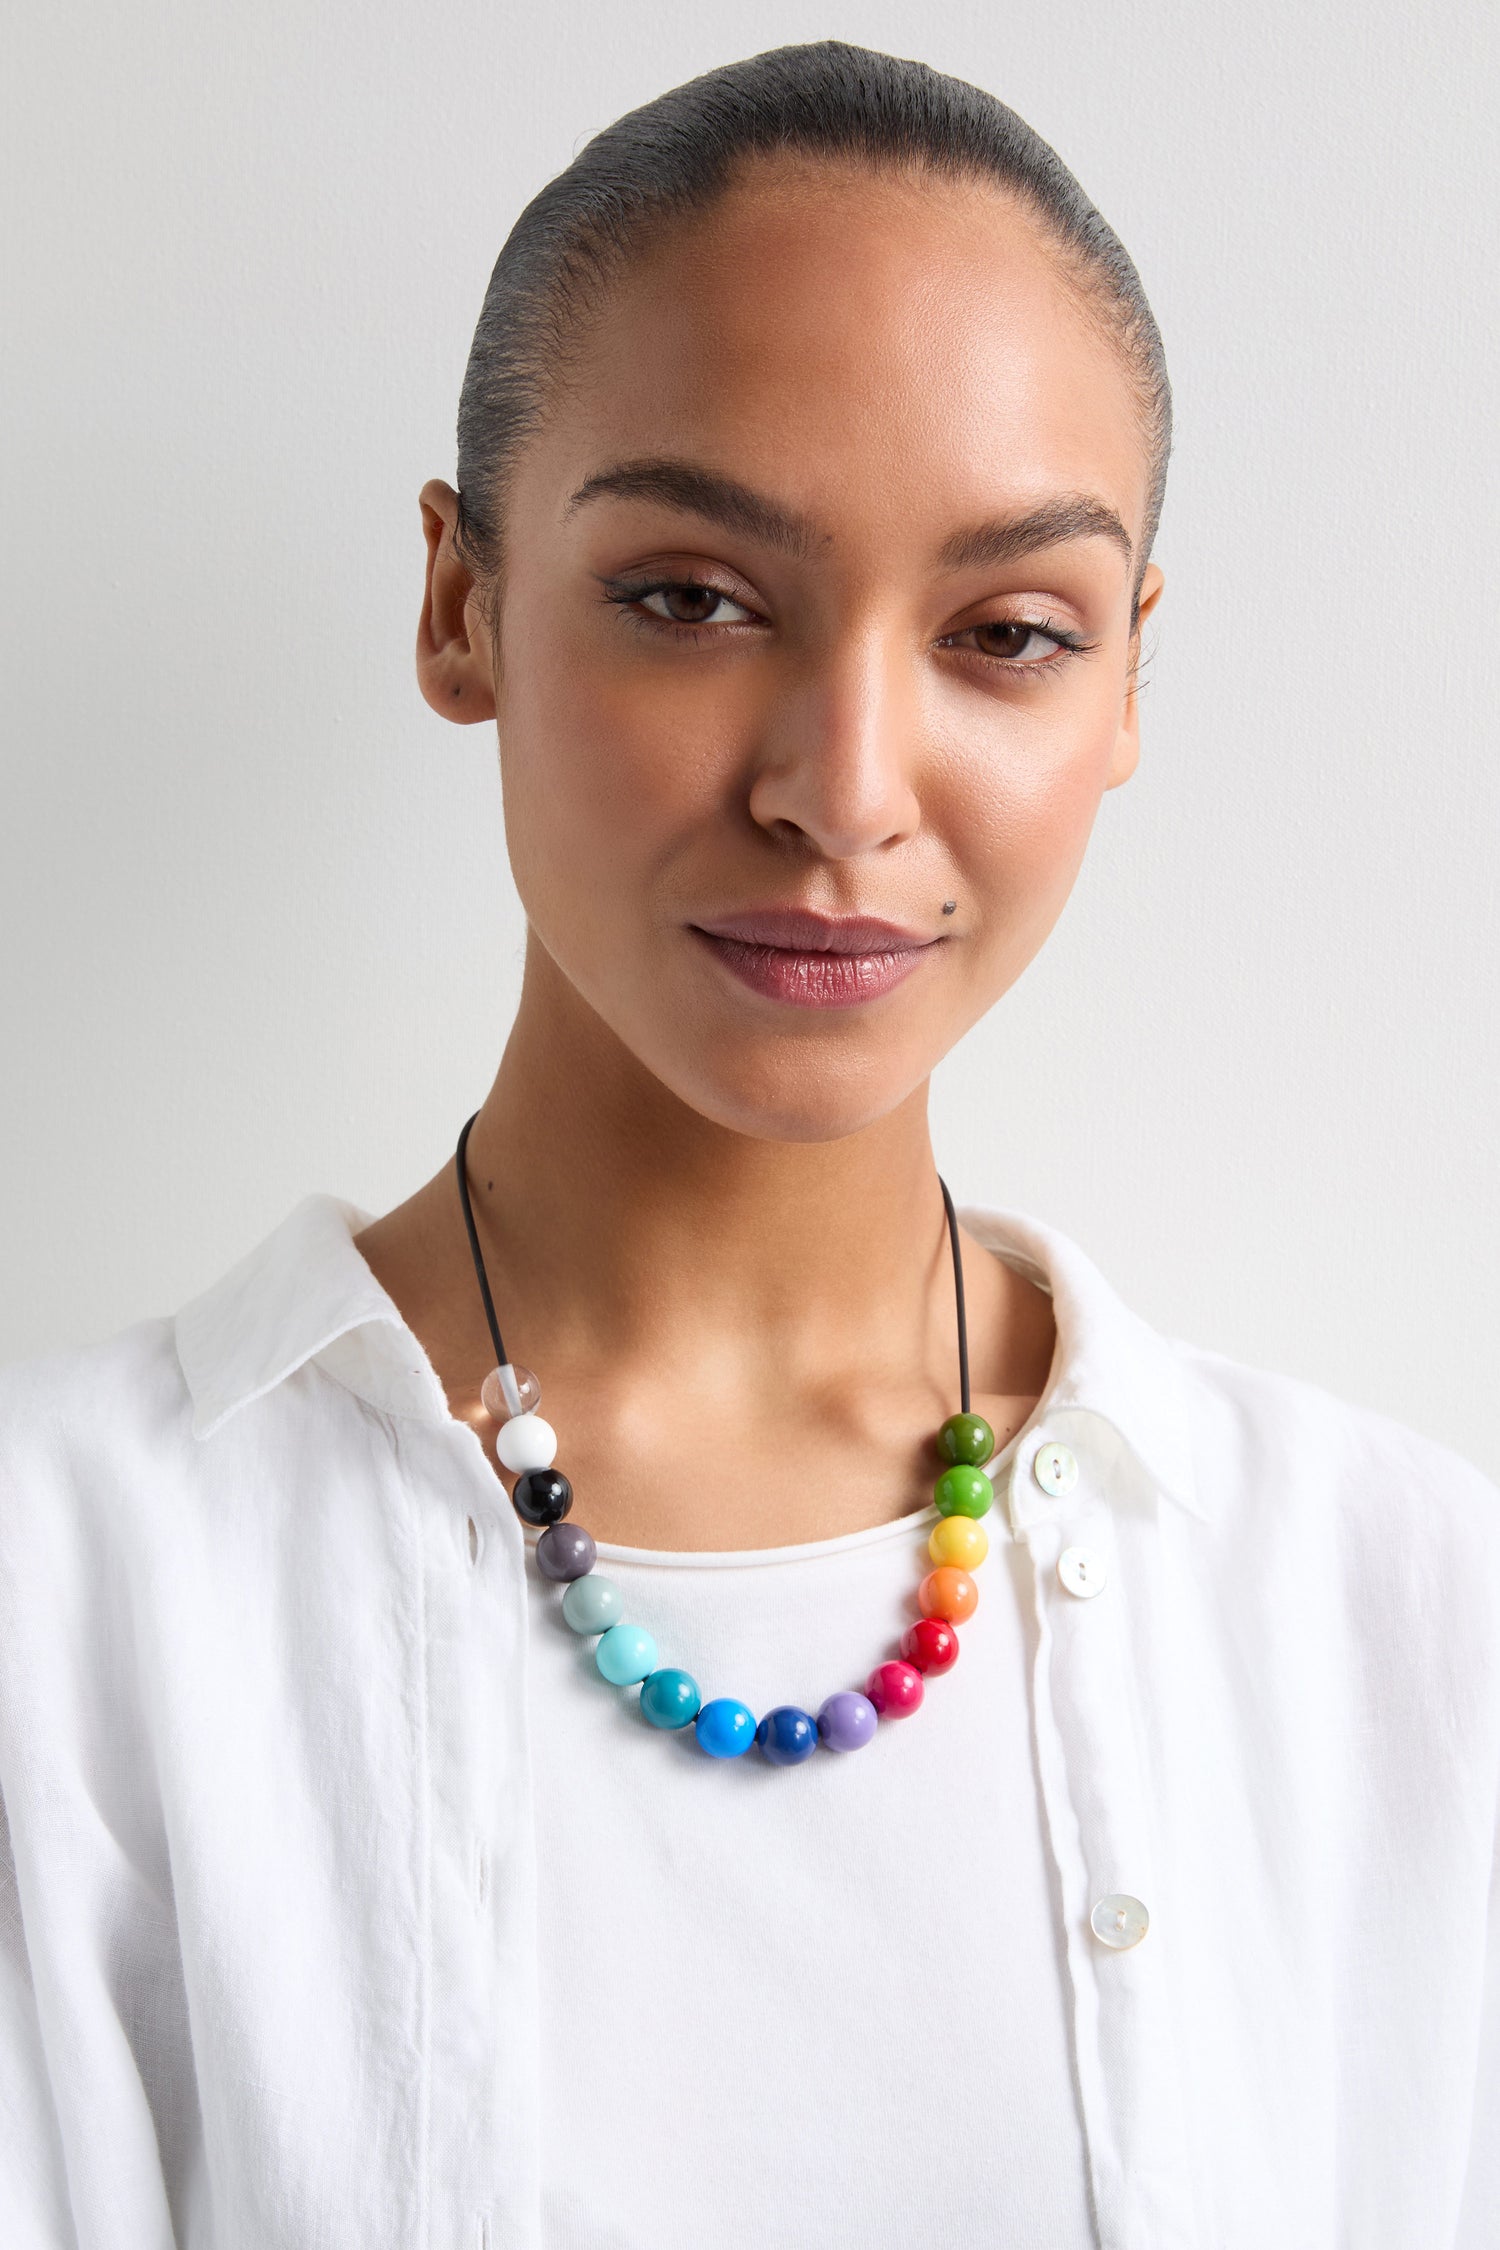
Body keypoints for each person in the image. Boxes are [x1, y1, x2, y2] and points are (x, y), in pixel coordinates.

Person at [0, 38, 1495, 2250]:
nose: (847, 787)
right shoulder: (65, 1597)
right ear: (462, 600)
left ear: (1125, 688)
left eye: (1009, 633)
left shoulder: (1397, 1611)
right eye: (696, 596)